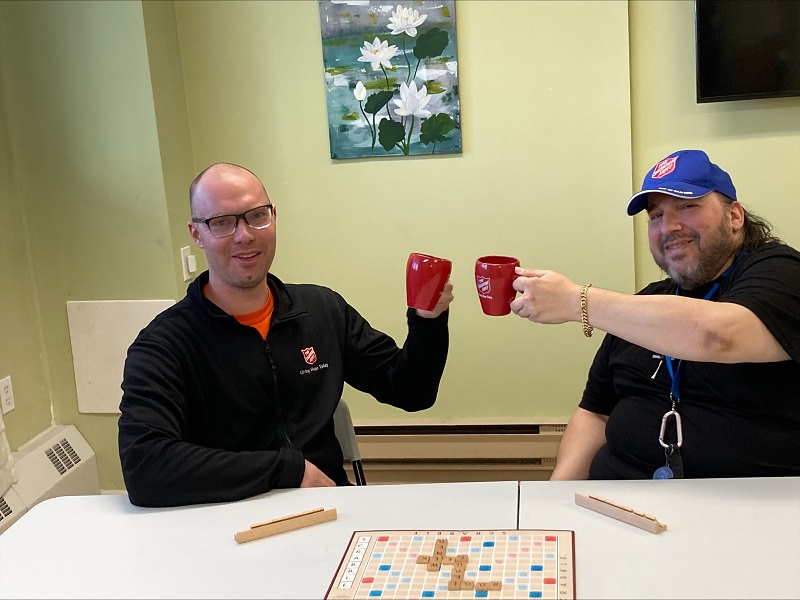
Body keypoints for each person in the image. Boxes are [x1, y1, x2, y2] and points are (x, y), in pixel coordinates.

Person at [118, 163, 453, 507]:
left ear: (273, 217)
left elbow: (411, 391)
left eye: (256, 216)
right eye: (221, 222)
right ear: (196, 233)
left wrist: (428, 320)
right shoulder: (163, 345)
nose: (244, 235)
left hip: (328, 513)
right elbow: (145, 467)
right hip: (226, 523)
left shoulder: (322, 310)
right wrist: (287, 469)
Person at [510, 149, 800, 480]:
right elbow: (594, 414)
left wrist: (578, 301)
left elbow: (718, 335)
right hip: (616, 505)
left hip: (750, 514)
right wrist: (555, 500)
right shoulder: (648, 302)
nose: (669, 227)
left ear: (734, 217)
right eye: (656, 216)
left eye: (688, 206)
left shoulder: (781, 272)